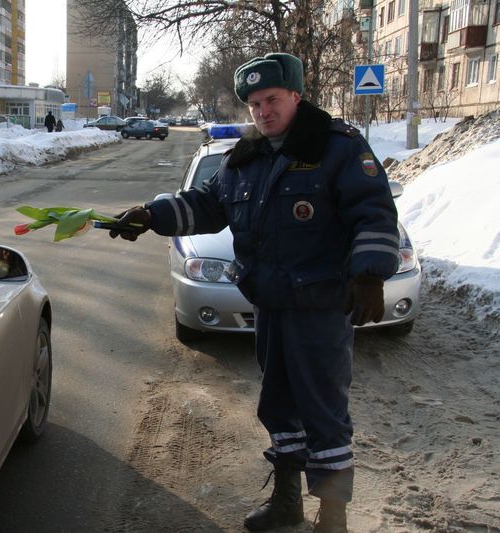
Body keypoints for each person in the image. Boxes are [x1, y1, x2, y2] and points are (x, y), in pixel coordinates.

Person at [108, 53, 399, 532]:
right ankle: (288, 504)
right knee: (278, 406)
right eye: (254, 104)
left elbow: (373, 211)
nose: (263, 112)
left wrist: (370, 275)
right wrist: (151, 215)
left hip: (321, 307)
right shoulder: (246, 157)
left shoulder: (337, 147)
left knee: (324, 411)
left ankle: (333, 516)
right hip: (271, 306)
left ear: (296, 97)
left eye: (272, 100)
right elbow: (208, 204)